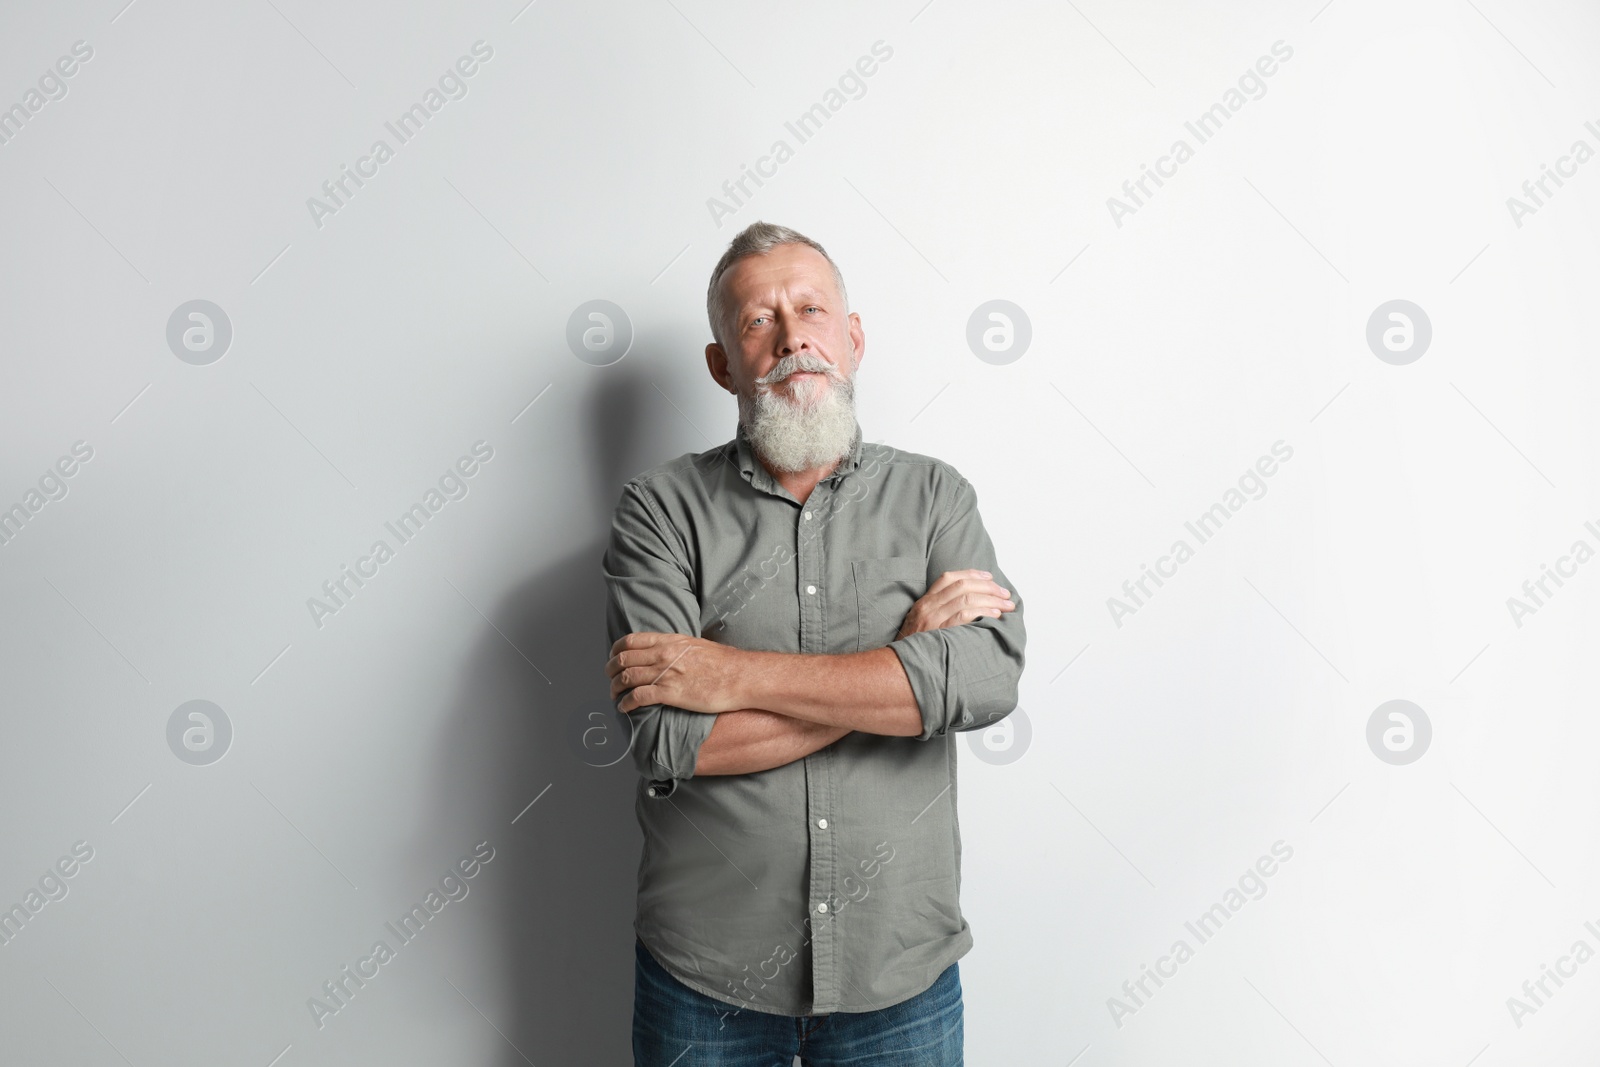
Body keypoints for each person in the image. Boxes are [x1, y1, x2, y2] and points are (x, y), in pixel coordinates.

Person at [603, 220, 1026, 1066]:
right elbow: (666, 738)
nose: (794, 336)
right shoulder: (658, 511)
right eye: (759, 320)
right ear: (724, 363)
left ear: (853, 337)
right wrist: (904, 664)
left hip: (898, 975)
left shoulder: (936, 497)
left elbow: (982, 682)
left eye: (812, 309)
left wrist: (730, 673)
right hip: (704, 982)